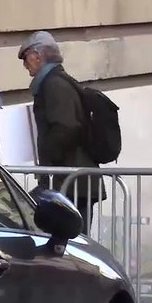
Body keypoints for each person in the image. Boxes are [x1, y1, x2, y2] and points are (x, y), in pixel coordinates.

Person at [19, 30, 103, 228]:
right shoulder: (55, 81)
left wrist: (50, 161)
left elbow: (67, 126)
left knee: (73, 240)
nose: (25, 65)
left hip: (71, 182)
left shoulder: (54, 84)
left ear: (37, 56)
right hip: (71, 180)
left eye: (26, 58)